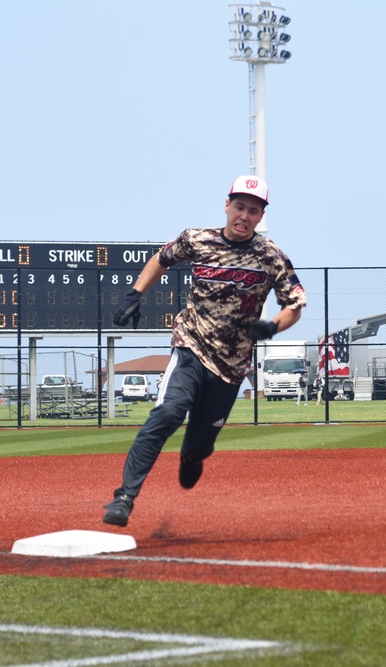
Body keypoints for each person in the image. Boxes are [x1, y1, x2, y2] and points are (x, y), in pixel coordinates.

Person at [103, 175, 306, 528]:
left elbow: (295, 304)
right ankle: (124, 497)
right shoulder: (196, 239)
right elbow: (161, 259)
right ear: (227, 205)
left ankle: (191, 454)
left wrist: (273, 326)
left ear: (261, 216)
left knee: (199, 448)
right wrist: (135, 295)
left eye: (253, 210)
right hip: (190, 345)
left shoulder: (271, 256)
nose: (244, 215)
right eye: (239, 206)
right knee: (167, 413)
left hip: (231, 365)